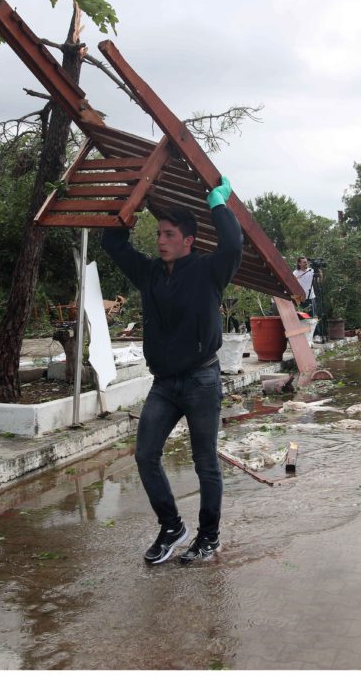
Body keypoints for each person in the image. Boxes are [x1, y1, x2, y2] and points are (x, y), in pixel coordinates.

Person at [101, 177, 242, 564]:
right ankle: (171, 527)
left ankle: (208, 537)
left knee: (205, 463)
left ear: (188, 240)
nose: (160, 240)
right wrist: (128, 207)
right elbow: (112, 243)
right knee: (146, 455)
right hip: (164, 383)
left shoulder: (209, 272)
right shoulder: (149, 274)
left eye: (169, 234)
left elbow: (233, 244)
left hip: (201, 379)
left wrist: (218, 205)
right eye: (159, 233)